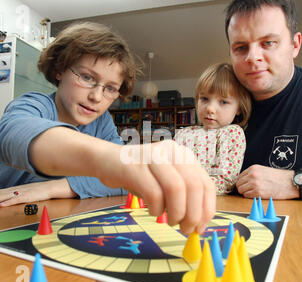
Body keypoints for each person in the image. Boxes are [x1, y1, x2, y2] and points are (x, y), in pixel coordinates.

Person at [0, 22, 216, 235]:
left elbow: (120, 184)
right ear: (59, 70)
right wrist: (114, 160)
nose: (96, 97)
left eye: (110, 88)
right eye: (86, 77)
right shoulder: (34, 104)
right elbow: (14, 133)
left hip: (48, 223)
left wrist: (52, 188)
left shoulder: (101, 121)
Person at [225, 0, 302, 200]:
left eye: (268, 43)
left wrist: (294, 182)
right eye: (240, 47)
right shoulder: (225, 111)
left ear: (295, 45)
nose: (253, 57)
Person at [174, 62, 251, 194]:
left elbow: (226, 179)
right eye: (204, 99)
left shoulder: (232, 134)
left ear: (239, 108)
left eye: (223, 102)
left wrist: (190, 187)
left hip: (210, 202)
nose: (210, 108)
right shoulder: (183, 133)